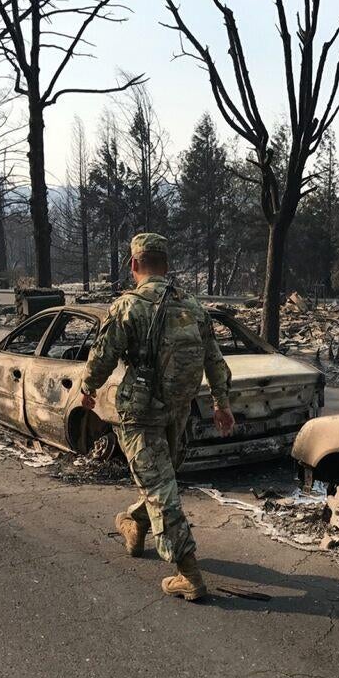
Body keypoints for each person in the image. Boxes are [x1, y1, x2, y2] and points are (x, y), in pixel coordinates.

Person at [80, 233, 235, 601]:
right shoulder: (193, 305)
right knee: (160, 480)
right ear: (166, 266)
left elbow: (103, 355)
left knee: (160, 489)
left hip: (140, 411)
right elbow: (214, 359)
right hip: (177, 408)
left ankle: (189, 573)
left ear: (135, 265)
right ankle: (135, 522)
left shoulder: (127, 306)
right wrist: (221, 403)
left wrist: (88, 387)